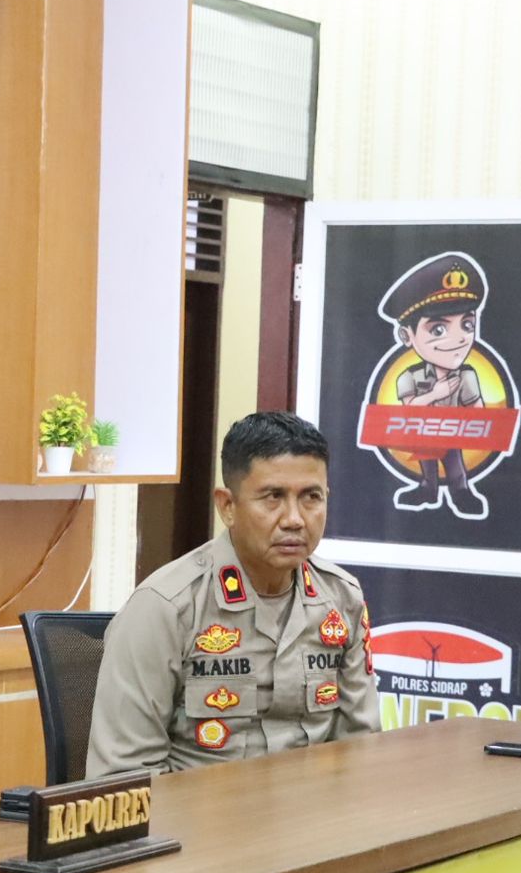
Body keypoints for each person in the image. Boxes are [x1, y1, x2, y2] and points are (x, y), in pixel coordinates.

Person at [86, 412, 379, 777]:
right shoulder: (167, 606)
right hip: (201, 826)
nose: (295, 518)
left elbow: (360, 747)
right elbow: (124, 777)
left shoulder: (342, 599)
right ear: (227, 506)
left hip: (312, 822)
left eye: (311, 497)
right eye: (273, 497)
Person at [381, 252, 489, 518]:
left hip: (452, 436)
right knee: (427, 465)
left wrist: (475, 420)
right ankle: (427, 490)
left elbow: (480, 411)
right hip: (423, 436)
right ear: (407, 336)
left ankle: (461, 493)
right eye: (438, 329)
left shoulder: (467, 376)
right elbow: (407, 411)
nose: (459, 339)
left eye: (467, 324)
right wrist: (436, 395)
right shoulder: (408, 376)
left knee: (455, 468)